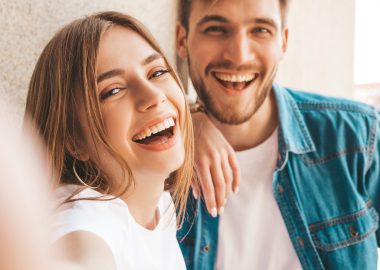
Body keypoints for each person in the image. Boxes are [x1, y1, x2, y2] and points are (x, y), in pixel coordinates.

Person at [175, 0, 380, 269]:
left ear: (283, 41)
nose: (239, 56)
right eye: (216, 29)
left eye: (260, 30)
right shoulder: (162, 161)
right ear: (182, 40)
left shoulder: (356, 137)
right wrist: (186, 120)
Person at [25, 11, 194, 270]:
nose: (153, 96)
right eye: (112, 91)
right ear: (73, 141)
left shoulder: (159, 201)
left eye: (157, 72)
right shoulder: (83, 222)